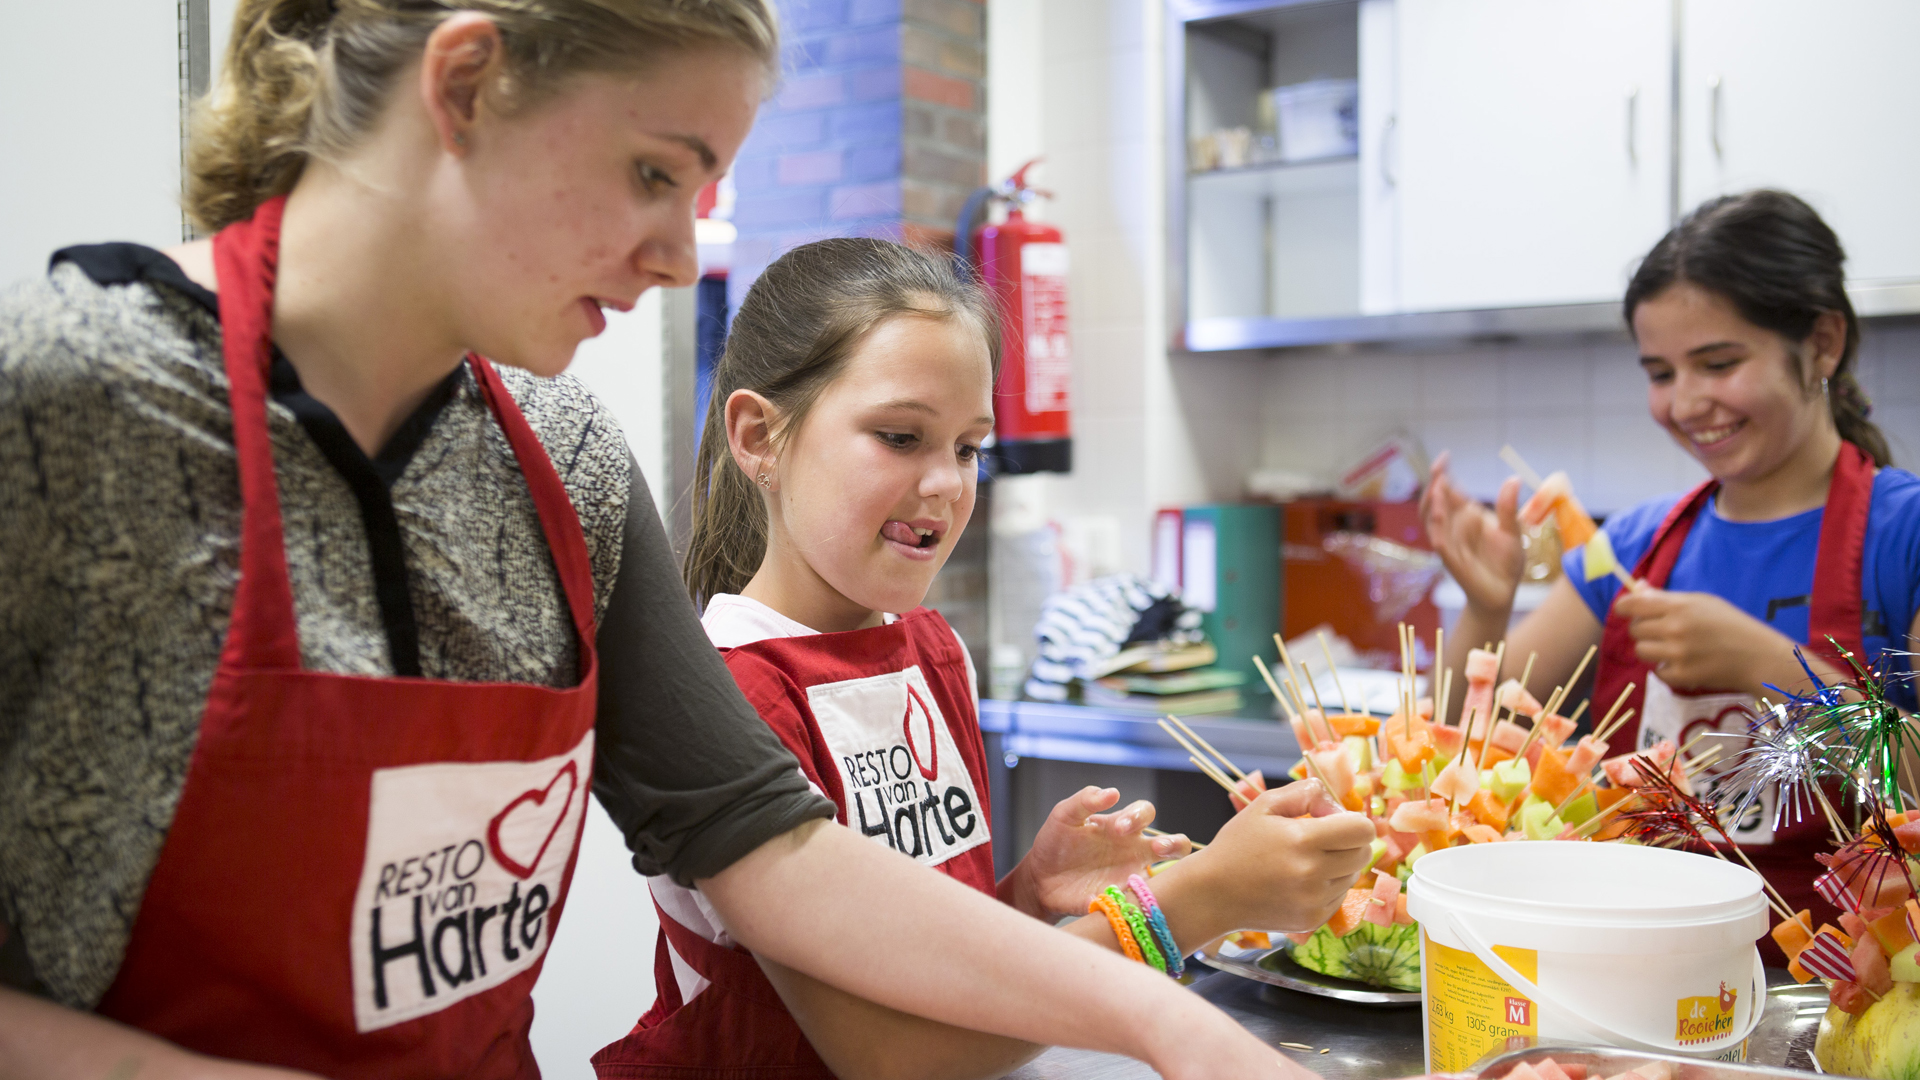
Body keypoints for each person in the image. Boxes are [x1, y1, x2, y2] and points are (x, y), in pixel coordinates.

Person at [0, 2, 1318, 1076]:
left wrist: (1172, 1021)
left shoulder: (563, 462)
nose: (685, 259)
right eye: (654, 173)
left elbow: (776, 851)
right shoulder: (77, 400)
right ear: (464, 84)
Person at [591, 238, 1379, 1080]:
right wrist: (1192, 904)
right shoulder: (738, 689)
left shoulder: (931, 651)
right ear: (759, 437)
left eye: (967, 448)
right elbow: (893, 1049)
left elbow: (935, 965)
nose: (946, 484)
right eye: (900, 437)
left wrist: (1025, 893)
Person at [1421, 190, 1920, 937]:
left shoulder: (1902, 534)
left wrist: (1775, 666)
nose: (1687, 403)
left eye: (1718, 363)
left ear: (1821, 343)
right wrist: (1485, 609)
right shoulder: (1635, 545)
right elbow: (1465, 743)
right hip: (1634, 972)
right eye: (1660, 373)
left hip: (1838, 999)